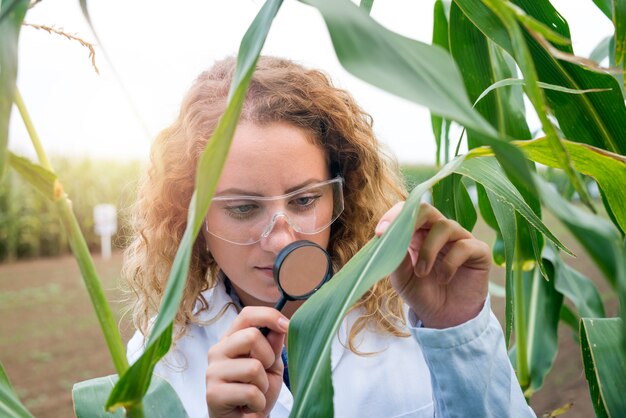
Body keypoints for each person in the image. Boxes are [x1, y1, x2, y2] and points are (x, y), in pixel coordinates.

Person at [124, 56, 534, 418]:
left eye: (303, 200)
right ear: (191, 218)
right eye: (244, 208)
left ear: (344, 191)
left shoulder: (412, 314)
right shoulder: (159, 355)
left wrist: (456, 331)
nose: (281, 241)